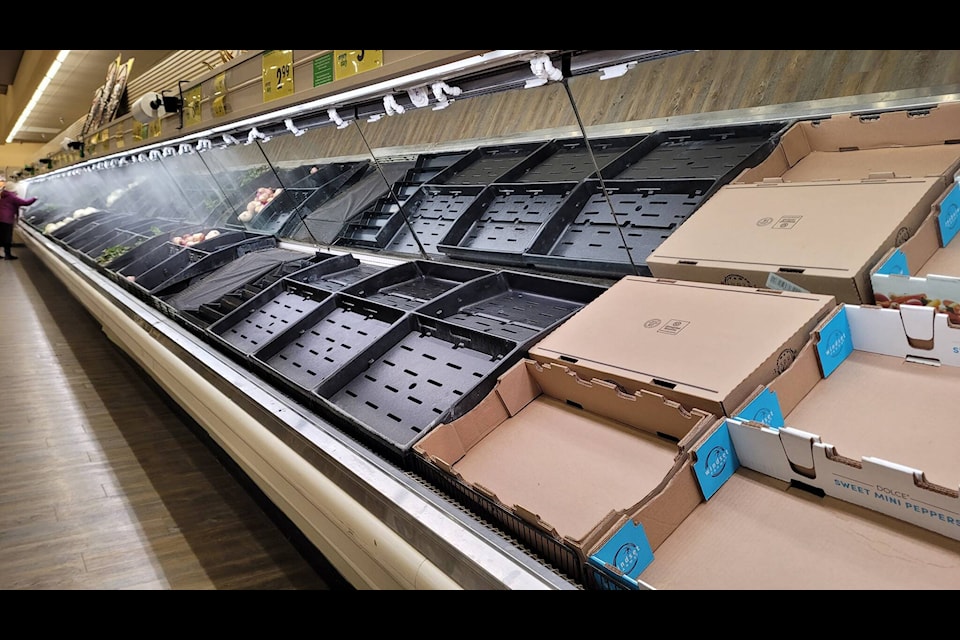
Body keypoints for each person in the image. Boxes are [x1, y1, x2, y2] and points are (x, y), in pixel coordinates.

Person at [0, 179, 37, 260]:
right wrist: (35, 198)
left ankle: (5, 254)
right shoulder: (11, 196)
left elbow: (11, 205)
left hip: (1, 218)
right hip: (7, 219)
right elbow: (25, 202)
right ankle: (8, 255)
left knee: (1, 237)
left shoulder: (4, 195)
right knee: (7, 238)